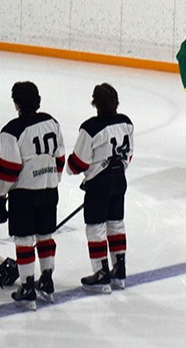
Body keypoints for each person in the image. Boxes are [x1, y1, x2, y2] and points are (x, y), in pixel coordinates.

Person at [0, 81, 65, 310]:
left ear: (17, 103)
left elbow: (10, 169)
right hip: (50, 189)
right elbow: (60, 157)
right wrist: (52, 179)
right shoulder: (52, 122)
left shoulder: (11, 130)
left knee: (24, 240)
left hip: (24, 194)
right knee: (45, 235)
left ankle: (28, 286)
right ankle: (47, 282)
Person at [66, 84, 134, 294]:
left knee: (95, 227)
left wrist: (71, 168)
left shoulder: (90, 128)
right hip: (119, 179)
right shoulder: (126, 123)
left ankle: (102, 272)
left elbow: (77, 163)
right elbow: (129, 154)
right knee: (116, 223)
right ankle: (119, 269)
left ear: (95, 103)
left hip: (99, 185)